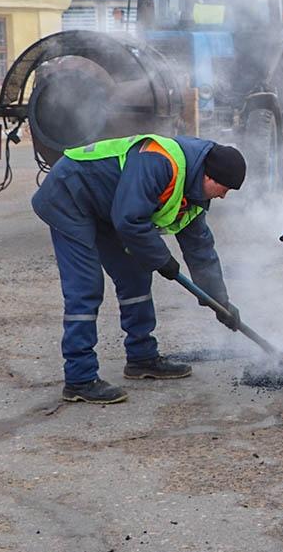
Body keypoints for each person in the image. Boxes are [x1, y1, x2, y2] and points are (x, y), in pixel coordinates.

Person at [32, 134, 246, 405]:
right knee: (86, 286)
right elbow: (129, 220)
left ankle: (141, 357)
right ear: (208, 177)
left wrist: (220, 302)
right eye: (224, 188)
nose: (224, 196)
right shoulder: (160, 161)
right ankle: (80, 378)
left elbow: (201, 251)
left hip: (107, 206)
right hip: (69, 194)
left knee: (134, 276)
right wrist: (162, 259)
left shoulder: (193, 194)